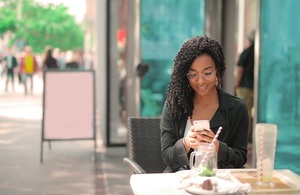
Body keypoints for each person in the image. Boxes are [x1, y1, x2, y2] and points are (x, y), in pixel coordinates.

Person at [160, 35, 249, 173]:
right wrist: (186, 143)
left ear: (217, 72)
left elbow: (240, 158)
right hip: (179, 184)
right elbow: (167, 156)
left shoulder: (237, 109)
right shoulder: (174, 106)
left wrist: (218, 147)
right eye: (193, 75)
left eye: (207, 73)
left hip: (219, 185)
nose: (200, 81)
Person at [235, 30, 255, 143]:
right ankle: (251, 137)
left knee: (244, 114)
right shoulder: (262, 54)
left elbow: (240, 70)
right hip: (257, 88)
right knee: (253, 114)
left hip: (245, 87)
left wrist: (236, 84)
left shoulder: (246, 52)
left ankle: (245, 138)